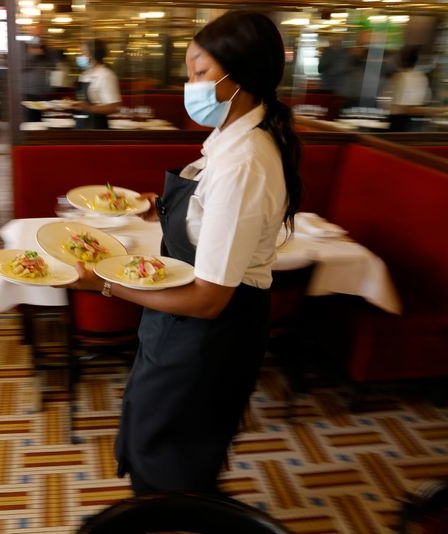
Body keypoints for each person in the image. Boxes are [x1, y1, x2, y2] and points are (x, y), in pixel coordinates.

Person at [64, 11, 301, 494]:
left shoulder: (246, 162)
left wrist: (104, 284)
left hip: (210, 332)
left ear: (239, 79)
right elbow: (205, 208)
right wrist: (159, 206)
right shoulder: (229, 139)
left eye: (199, 73)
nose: (189, 85)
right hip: (179, 322)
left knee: (173, 452)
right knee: (156, 433)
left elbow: (208, 298)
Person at [73, 39, 121, 129]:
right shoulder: (84, 74)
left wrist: (89, 108)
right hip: (80, 124)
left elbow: (114, 107)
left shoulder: (106, 75)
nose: (79, 56)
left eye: (82, 53)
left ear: (92, 55)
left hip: (96, 126)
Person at [386, 45, 430, 132]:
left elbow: (403, 107)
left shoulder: (400, 77)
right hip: (415, 120)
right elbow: (425, 99)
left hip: (400, 120)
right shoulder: (421, 77)